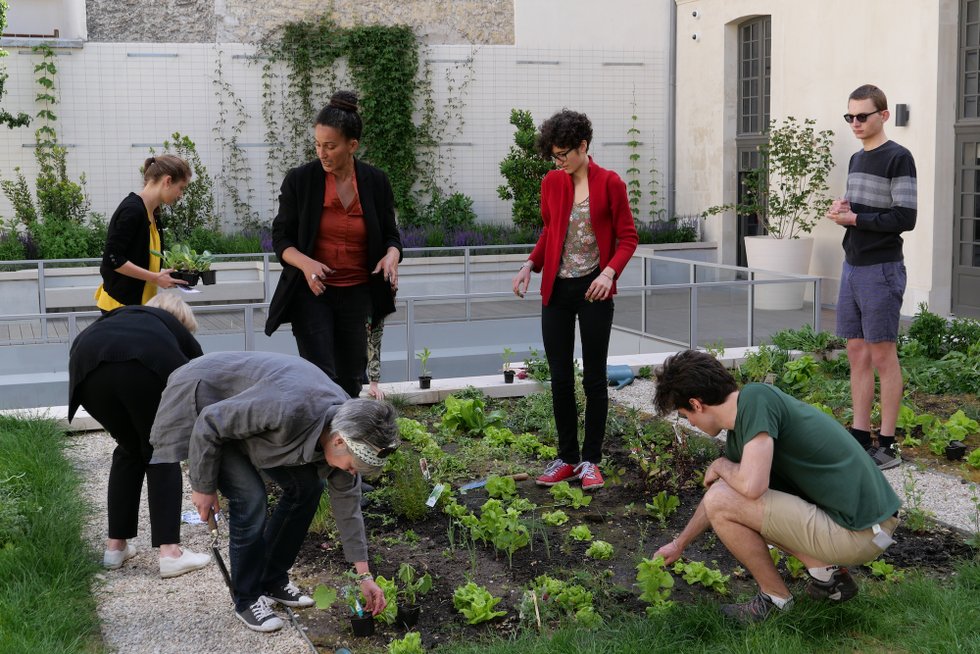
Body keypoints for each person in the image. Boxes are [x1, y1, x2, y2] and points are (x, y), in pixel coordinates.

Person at [148, 351, 398, 633]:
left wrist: (363, 576)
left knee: (308, 487)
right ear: (339, 441)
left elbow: (349, 509)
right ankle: (246, 599)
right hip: (205, 398)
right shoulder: (286, 407)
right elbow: (211, 421)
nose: (353, 473)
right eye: (353, 466)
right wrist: (203, 486)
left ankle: (272, 579)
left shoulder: (346, 429)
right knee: (250, 498)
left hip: (245, 414)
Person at [651, 350, 901, 623]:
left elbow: (750, 487)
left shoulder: (758, 399)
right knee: (725, 498)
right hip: (862, 525)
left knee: (726, 498)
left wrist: (721, 465)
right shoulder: (745, 423)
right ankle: (826, 574)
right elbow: (724, 496)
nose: (692, 423)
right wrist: (679, 544)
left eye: (686, 415)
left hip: (863, 530)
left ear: (696, 404)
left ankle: (775, 600)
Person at [512, 109, 638, 491]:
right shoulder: (552, 182)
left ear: (583, 146)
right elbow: (551, 232)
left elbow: (628, 238)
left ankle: (591, 461)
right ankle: (567, 458)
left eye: (564, 153)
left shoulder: (611, 183)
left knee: (595, 379)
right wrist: (529, 264)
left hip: (594, 290)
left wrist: (608, 272)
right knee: (561, 379)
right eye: (554, 155)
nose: (558, 161)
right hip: (557, 291)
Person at [265, 90, 402, 400]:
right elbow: (281, 238)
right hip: (313, 293)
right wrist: (307, 264)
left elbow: (392, 236)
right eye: (317, 145)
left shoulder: (376, 181)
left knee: (352, 376)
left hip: (357, 294)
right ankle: (321, 444)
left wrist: (392, 256)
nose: (322, 153)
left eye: (330, 146)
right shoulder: (300, 180)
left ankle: (344, 440)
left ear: (352, 146)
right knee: (319, 376)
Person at [68, 293, 211, 578]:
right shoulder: (173, 328)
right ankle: (170, 553)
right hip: (141, 367)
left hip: (87, 371)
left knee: (130, 449)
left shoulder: (120, 315)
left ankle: (115, 548)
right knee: (162, 449)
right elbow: (199, 377)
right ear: (181, 321)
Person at [827, 84, 917, 470]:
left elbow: (905, 218)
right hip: (852, 264)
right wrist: (844, 209)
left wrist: (856, 218)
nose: (856, 123)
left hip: (881, 268)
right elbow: (861, 212)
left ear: (883, 115)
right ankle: (860, 438)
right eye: (850, 116)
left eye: (862, 116)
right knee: (856, 352)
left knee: (882, 355)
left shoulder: (899, 157)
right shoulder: (855, 159)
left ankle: (888, 446)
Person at [94, 155, 192, 311]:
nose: (181, 195)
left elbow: (141, 257)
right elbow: (112, 259)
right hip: (120, 307)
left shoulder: (153, 213)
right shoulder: (132, 210)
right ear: (167, 181)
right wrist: (155, 278)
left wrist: (167, 274)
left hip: (139, 305)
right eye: (181, 187)